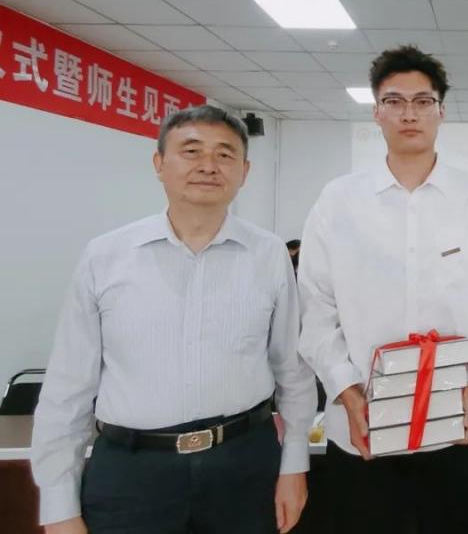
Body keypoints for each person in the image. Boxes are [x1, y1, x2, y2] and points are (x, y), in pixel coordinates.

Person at [31, 106, 317, 534]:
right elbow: (68, 387)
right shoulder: (105, 256)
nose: (208, 165)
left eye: (225, 154)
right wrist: (58, 506)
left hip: (242, 467)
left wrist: (293, 465)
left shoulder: (269, 253)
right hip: (132, 473)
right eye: (191, 151)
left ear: (244, 171)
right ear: (159, 164)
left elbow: (292, 370)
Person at [297, 45, 468, 534]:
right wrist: (346, 391)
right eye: (394, 101)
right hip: (363, 424)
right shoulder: (339, 201)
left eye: (423, 101)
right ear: (376, 111)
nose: (409, 114)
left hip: (455, 421)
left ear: (442, 110)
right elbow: (314, 308)